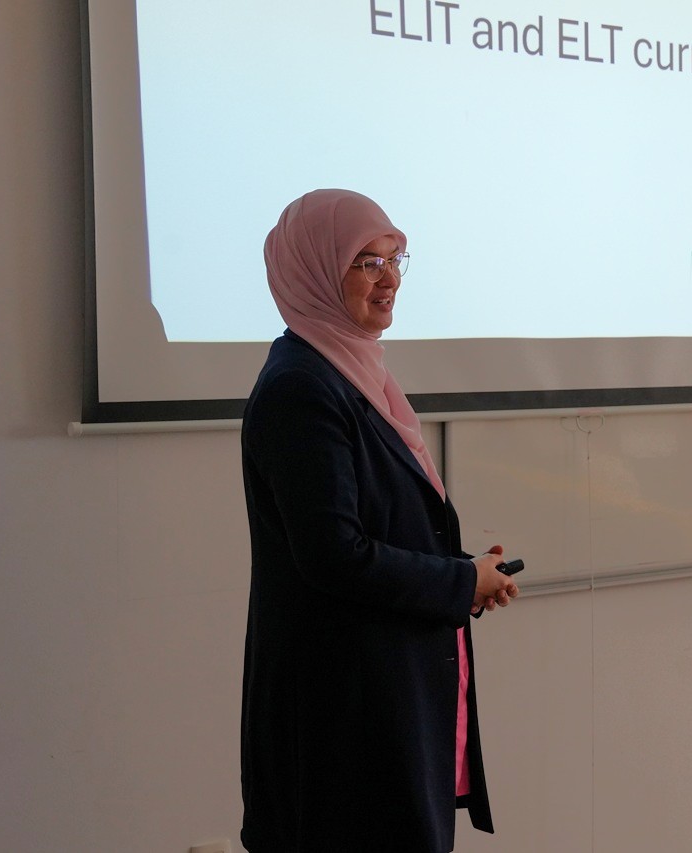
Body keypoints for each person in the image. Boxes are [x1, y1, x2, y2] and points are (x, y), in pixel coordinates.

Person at [239, 189, 519, 852]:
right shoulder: (302, 388)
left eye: (395, 259)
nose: (389, 278)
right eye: (366, 262)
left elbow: (374, 528)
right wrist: (460, 582)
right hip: (342, 714)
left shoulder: (352, 373)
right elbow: (334, 554)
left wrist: (464, 573)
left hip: (382, 697)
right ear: (314, 270)